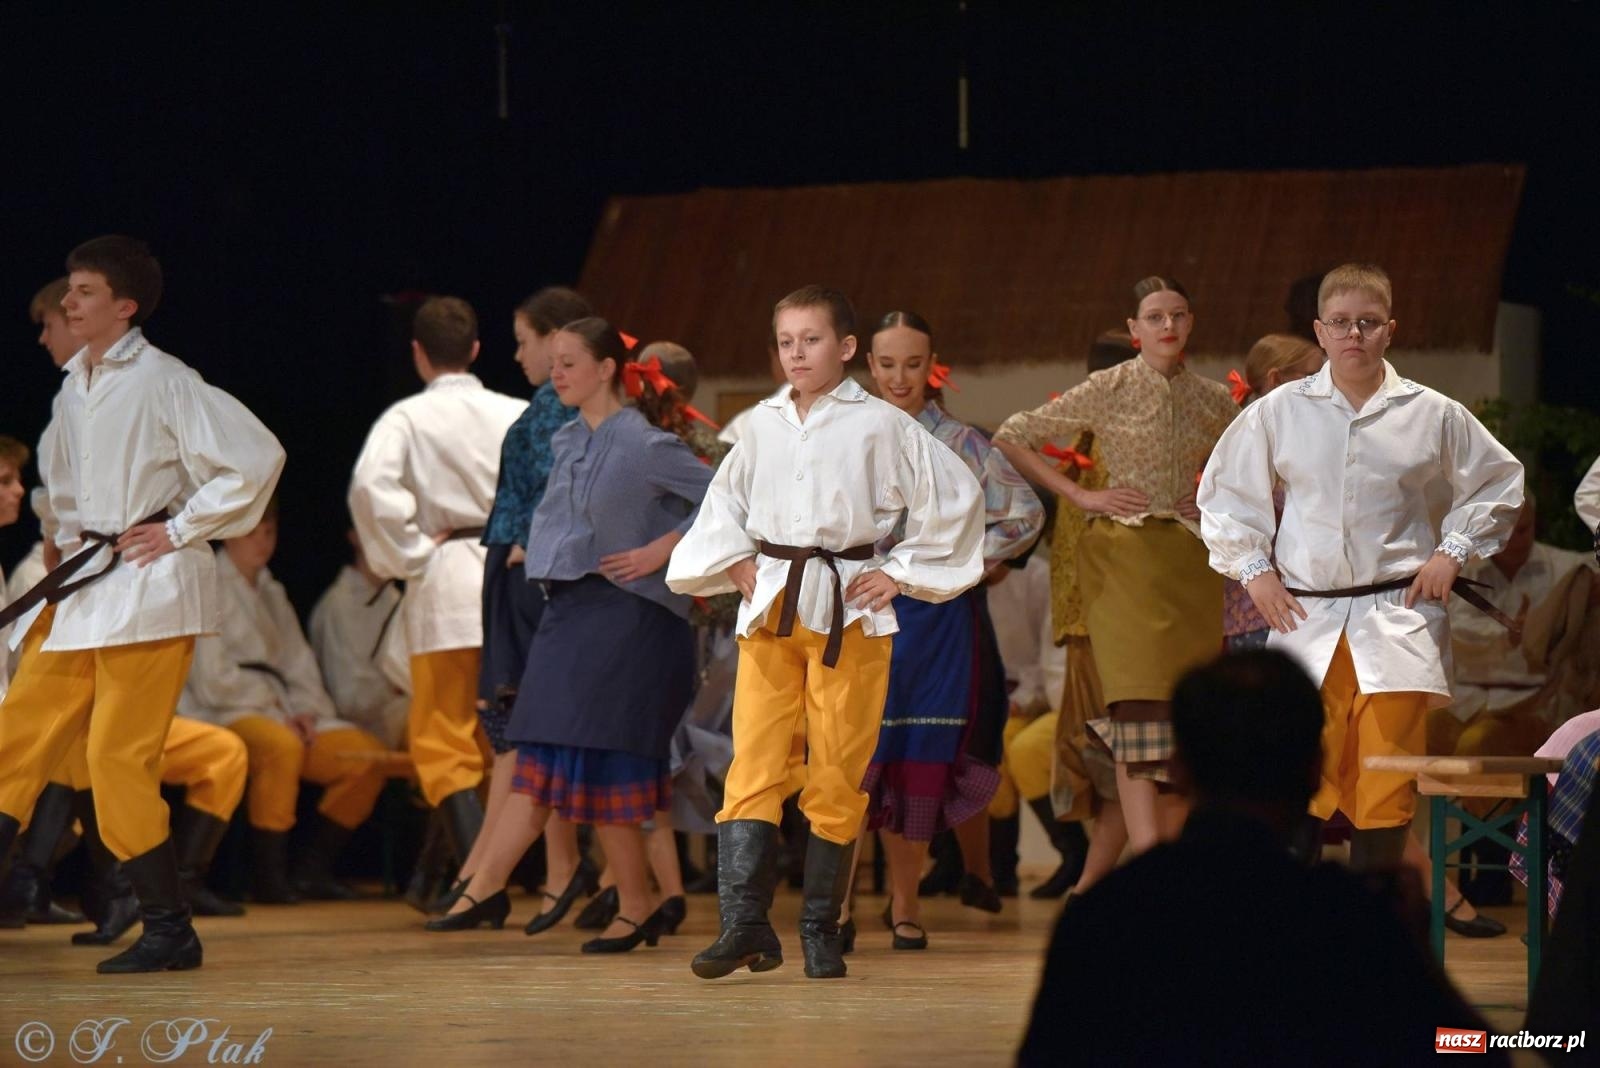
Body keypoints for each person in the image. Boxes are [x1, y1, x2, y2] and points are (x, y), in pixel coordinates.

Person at [667, 285, 985, 980]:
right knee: (751, 761)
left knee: (837, 768)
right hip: (774, 608)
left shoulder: (881, 424)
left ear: (845, 348)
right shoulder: (758, 424)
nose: (796, 353)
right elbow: (724, 502)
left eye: (811, 340)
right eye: (786, 341)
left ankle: (819, 926)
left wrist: (899, 571)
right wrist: (733, 561)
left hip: (849, 611)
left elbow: (955, 500)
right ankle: (746, 924)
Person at [0, 235, 284, 973]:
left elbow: (257, 458)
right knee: (17, 732)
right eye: (70, 287)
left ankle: (168, 926)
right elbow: (59, 484)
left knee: (115, 756)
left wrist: (182, 526)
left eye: (86, 291)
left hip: (147, 589)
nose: (69, 301)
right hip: (87, 583)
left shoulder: (164, 379)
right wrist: (61, 540)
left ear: (124, 306)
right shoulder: (74, 384)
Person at [1018, 650, 1505, 1066]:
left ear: (1177, 768)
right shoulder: (1347, 918)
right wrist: (1415, 949)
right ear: (1316, 771)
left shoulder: (1105, 915)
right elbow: (1468, 1050)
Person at [1198, 263, 1524, 871]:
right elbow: (1225, 494)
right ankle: (1291, 922)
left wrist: (1452, 551)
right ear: (1320, 331)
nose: (1355, 335)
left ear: (1389, 330)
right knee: (1298, 773)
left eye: (1368, 324)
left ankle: (1372, 921)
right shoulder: (1279, 412)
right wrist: (1253, 569)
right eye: (1342, 323)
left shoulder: (1431, 412)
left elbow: (1499, 483)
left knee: (1386, 779)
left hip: (1396, 613)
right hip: (1306, 614)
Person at [428, 318, 711, 954]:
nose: (556, 374)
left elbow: (727, 497)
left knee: (603, 761)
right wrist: (539, 547)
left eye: (569, 363)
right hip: (567, 613)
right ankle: (497, 885)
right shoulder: (565, 440)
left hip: (628, 615)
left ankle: (622, 902)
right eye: (552, 363)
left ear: (608, 368)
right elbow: (567, 516)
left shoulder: (643, 442)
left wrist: (660, 549)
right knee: (541, 755)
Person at [994, 278, 1238, 855]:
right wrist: (1080, 497)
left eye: (1178, 315)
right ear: (1134, 329)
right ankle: (1150, 850)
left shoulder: (1213, 399)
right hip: (1122, 559)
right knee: (1136, 708)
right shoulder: (1108, 387)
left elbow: (1258, 463)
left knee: (1187, 712)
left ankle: (1174, 855)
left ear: (1191, 321)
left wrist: (1207, 495)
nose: (1168, 327)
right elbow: (1012, 435)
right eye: (1154, 317)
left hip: (1189, 561)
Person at [860, 310, 1043, 948]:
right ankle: (833, 907)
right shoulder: (845, 437)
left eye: (913, 363)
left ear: (931, 364)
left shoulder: (962, 442)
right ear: (869, 365)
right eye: (887, 363)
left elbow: (1023, 514)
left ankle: (905, 905)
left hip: (936, 620)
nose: (899, 376)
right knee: (856, 758)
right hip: (860, 616)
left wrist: (967, 562)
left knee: (918, 758)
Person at [348, 295, 525, 897]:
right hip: (511, 582)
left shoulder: (406, 420)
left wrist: (410, 553)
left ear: (418, 354)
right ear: (476, 350)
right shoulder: (514, 413)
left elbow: (371, 490)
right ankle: (467, 878)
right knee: (499, 739)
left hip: (448, 582)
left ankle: (479, 885)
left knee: (442, 738)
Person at [452, 286, 594, 926]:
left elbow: (576, 493)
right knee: (516, 728)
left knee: (533, 727)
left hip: (532, 577)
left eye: (524, 340)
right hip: (511, 568)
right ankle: (486, 875)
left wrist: (535, 546)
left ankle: (508, 876)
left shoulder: (565, 409)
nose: (519, 354)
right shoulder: (546, 405)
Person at [179, 500, 390, 902]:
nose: (262, 544)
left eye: (269, 533)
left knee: (364, 755)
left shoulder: (272, 591)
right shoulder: (206, 583)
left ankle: (312, 868)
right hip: (225, 711)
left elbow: (298, 663)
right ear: (227, 534)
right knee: (281, 747)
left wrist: (306, 710)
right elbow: (212, 679)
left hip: (282, 711)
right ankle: (268, 875)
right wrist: (278, 712)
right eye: (251, 533)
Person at [1220, 334, 1324, 652]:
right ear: (1276, 379)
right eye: (1312, 376)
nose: (1323, 385)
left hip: (1298, 606)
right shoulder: (1251, 434)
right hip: (1258, 608)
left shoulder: (1307, 431)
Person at [308, 530, 412, 751]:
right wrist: (396, 689)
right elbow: (349, 699)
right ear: (355, 535)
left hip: (402, 712)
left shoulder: (398, 599)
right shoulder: (338, 605)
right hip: (364, 726)